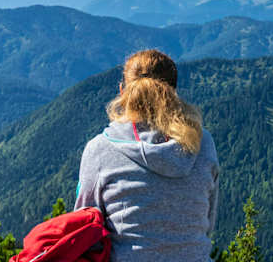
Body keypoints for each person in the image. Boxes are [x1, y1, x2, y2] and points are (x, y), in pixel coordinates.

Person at [75, 49, 219, 261]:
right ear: (173, 93)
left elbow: (86, 230)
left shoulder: (100, 149)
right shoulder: (202, 142)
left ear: (122, 91)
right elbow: (208, 222)